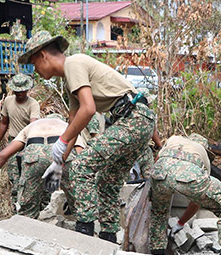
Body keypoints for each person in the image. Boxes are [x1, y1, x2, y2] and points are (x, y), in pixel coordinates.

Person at [18, 31, 155, 242]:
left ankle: (85, 232)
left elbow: (88, 109)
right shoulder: (70, 80)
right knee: (108, 180)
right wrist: (58, 162)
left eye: (34, 63)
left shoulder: (74, 63)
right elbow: (75, 123)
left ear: (44, 55)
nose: (35, 70)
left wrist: (62, 141)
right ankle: (108, 238)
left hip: (133, 118)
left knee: (81, 166)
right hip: (137, 120)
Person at [0, 118, 95, 230]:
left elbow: (3, 155)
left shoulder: (30, 127)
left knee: (27, 212)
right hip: (62, 153)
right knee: (80, 205)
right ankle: (85, 233)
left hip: (34, 155)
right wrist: (75, 191)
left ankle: (24, 237)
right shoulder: (66, 126)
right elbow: (82, 155)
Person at [150, 134, 221, 255]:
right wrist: (181, 223)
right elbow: (197, 200)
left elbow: (157, 160)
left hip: (160, 172)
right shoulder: (201, 151)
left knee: (159, 212)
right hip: (190, 174)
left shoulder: (173, 140)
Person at [0, 73, 40, 206]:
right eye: (17, 91)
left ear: (27, 90)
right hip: (13, 142)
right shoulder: (8, 101)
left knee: (28, 175)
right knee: (14, 174)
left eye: (22, 91)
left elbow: (33, 125)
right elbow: (3, 123)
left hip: (29, 143)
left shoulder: (33, 104)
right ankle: (15, 205)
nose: (20, 94)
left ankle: (29, 204)